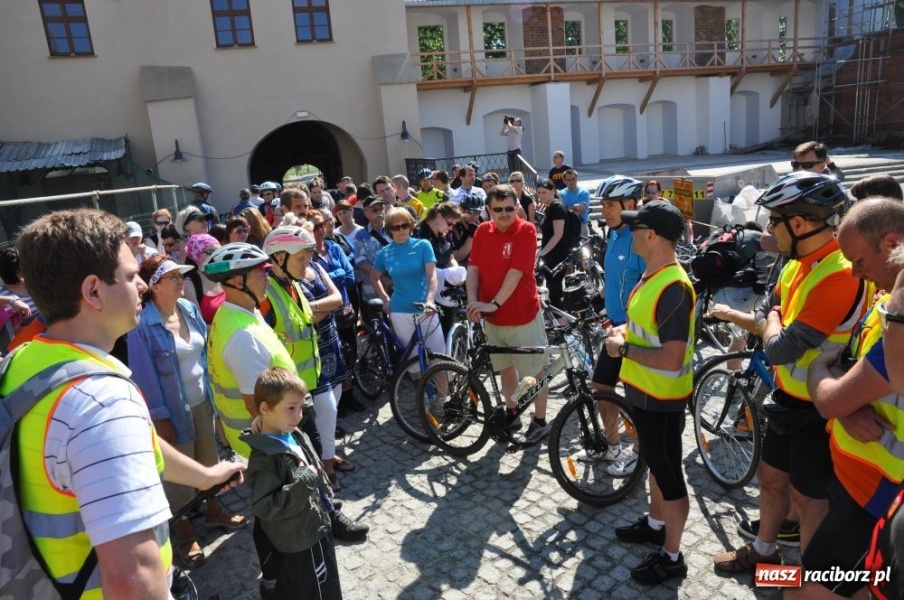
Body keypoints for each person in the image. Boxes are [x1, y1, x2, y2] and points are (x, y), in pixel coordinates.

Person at [6, 208, 243, 597]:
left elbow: (138, 441)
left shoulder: (25, 361)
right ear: (93, 291)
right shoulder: (101, 404)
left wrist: (205, 477)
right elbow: (133, 580)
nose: (143, 287)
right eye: (131, 276)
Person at [714, 171, 869, 573]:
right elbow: (770, 312)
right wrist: (773, 319)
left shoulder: (838, 272)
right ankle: (764, 554)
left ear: (798, 223)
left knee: (807, 502)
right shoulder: (797, 263)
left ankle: (809, 581)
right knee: (769, 480)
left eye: (774, 221)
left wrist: (773, 320)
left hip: (818, 410)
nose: (769, 231)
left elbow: (779, 348)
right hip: (787, 399)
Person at [795, 197, 904, 598]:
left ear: (892, 243)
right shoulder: (886, 299)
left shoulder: (900, 316)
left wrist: (820, 373)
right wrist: (843, 408)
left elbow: (830, 396)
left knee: (802, 593)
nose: (855, 273)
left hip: (877, 500)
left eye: (858, 261)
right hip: (857, 486)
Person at [127, 255, 246, 568]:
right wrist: (159, 416)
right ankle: (182, 530)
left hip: (202, 403)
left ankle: (212, 510)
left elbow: (203, 359)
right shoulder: (142, 325)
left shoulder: (190, 310)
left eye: (181, 275)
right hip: (170, 412)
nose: (181, 281)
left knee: (208, 460)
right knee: (177, 477)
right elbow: (143, 375)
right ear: (154, 287)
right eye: (173, 278)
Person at [605, 200, 695, 584]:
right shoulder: (652, 274)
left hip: (662, 399)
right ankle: (656, 525)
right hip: (644, 392)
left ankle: (672, 556)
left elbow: (672, 358)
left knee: (670, 476)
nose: (629, 232)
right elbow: (645, 328)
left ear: (651, 235)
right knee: (657, 467)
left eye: (634, 227)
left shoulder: (673, 286)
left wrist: (622, 348)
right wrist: (622, 332)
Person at [242, 367, 346, 600]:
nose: (299, 416)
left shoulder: (289, 430)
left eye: (300, 408)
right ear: (265, 409)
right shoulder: (264, 459)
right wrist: (305, 480)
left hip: (316, 526)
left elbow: (301, 398)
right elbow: (266, 506)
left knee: (328, 585)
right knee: (317, 591)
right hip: (302, 541)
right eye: (291, 409)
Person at [466, 185, 549, 443]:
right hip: (493, 319)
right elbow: (474, 269)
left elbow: (516, 273)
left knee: (535, 373)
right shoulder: (482, 230)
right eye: (498, 209)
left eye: (509, 209)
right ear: (488, 210)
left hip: (522, 314)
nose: (504, 214)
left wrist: (494, 304)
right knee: (506, 370)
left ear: (517, 208)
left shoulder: (526, 230)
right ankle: (513, 414)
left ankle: (540, 420)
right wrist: (473, 303)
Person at [204, 242, 298, 459]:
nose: (269, 277)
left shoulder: (231, 313)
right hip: (268, 444)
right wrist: (284, 448)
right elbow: (255, 405)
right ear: (238, 281)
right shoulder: (242, 336)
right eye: (262, 273)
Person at [580, 176, 646, 473]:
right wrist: (598, 300)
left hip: (638, 331)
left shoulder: (642, 238)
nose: (603, 211)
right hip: (615, 327)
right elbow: (616, 280)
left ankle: (639, 453)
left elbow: (651, 285)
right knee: (601, 385)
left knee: (637, 395)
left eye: (609, 205)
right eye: (603, 204)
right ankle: (612, 445)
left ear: (630, 204)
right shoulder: (615, 236)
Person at [296, 222, 355, 491]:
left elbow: (337, 300)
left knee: (335, 402)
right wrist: (321, 308)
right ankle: (326, 464)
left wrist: (312, 308)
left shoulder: (316, 266)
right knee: (325, 408)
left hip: (330, 341)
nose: (309, 243)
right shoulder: (287, 277)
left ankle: (326, 453)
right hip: (309, 349)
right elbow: (298, 317)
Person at [372, 206, 444, 368]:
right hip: (400, 311)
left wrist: (430, 300)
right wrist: (385, 299)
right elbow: (374, 277)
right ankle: (421, 392)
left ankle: (443, 394)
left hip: (426, 309)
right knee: (412, 362)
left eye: (404, 225)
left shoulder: (423, 245)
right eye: (395, 227)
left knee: (439, 359)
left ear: (411, 225)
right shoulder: (385, 252)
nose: (400, 230)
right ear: (390, 230)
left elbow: (432, 276)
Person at [308, 210, 364, 417]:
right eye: (313, 227)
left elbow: (350, 276)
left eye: (320, 225)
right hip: (324, 317)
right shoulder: (308, 256)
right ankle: (335, 404)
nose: (318, 230)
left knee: (349, 354)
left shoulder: (333, 247)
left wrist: (331, 278)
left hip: (345, 312)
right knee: (330, 360)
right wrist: (337, 275)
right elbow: (317, 286)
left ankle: (349, 395)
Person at [535, 179, 574, 310]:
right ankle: (559, 320)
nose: (541, 196)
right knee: (552, 289)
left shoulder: (557, 208)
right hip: (551, 255)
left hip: (558, 255)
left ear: (553, 191)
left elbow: (558, 234)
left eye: (544, 192)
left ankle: (562, 323)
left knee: (555, 291)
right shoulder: (549, 207)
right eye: (539, 193)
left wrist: (543, 251)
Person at [352, 195, 392, 302]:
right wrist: (381, 277)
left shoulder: (394, 229)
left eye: (381, 209)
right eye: (374, 210)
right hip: (373, 292)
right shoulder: (360, 235)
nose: (379, 212)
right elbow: (360, 261)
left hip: (395, 286)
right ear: (366, 213)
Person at [182, 233, 225, 323]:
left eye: (220, 252)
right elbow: (199, 327)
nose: (217, 256)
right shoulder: (189, 285)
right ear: (196, 255)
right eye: (211, 252)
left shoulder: (228, 276)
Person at [560, 169, 591, 236]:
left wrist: (567, 207)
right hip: (566, 226)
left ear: (577, 179)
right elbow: (561, 210)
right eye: (568, 180)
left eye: (573, 179)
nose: (571, 182)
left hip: (581, 225)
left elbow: (581, 208)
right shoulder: (561, 193)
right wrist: (575, 207)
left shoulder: (584, 192)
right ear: (564, 181)